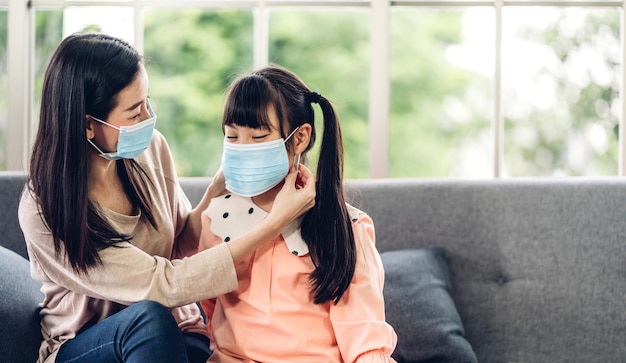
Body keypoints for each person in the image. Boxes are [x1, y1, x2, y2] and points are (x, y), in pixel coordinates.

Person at [18, 32, 315, 363]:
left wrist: (216, 191)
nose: (148, 118)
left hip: (172, 329)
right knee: (150, 320)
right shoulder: (45, 209)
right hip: (91, 342)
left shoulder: (149, 150)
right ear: (88, 125)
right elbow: (163, 284)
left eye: (147, 102)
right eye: (134, 113)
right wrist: (275, 223)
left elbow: (178, 245)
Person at [195, 65, 398, 362]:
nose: (241, 148)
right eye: (232, 136)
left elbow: (365, 341)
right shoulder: (218, 218)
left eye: (258, 137)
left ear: (300, 138)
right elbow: (207, 306)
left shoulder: (344, 228)